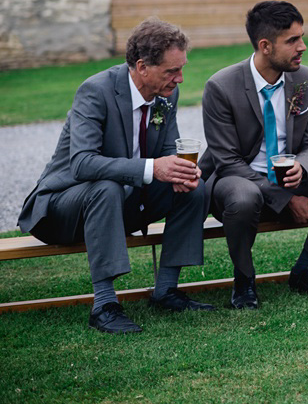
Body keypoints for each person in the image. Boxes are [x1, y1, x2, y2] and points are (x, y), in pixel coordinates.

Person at [18, 19, 211, 334]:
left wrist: (180, 171)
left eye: (181, 69)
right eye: (171, 71)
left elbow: (166, 152)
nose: (180, 79)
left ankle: (166, 290)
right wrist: (153, 168)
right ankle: (105, 306)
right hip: (62, 207)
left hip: (122, 201)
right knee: (106, 188)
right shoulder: (96, 91)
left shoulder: (166, 95)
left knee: (194, 188)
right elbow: (82, 164)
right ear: (142, 67)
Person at [199, 1, 308, 309]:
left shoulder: (304, 78)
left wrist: (302, 166)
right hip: (237, 180)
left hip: (289, 176)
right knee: (244, 196)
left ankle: (306, 268)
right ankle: (244, 280)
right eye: (292, 40)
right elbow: (227, 161)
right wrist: (287, 199)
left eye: (301, 37)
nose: (302, 47)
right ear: (265, 46)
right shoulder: (221, 86)